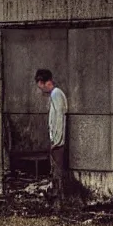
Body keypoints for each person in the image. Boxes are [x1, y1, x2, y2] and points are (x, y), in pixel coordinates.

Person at [35, 69, 68, 211]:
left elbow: (59, 119)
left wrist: (57, 141)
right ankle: (57, 205)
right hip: (56, 141)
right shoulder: (57, 94)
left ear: (43, 82)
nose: (41, 90)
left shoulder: (56, 94)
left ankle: (58, 206)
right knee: (55, 172)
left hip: (57, 143)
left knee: (57, 173)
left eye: (40, 86)